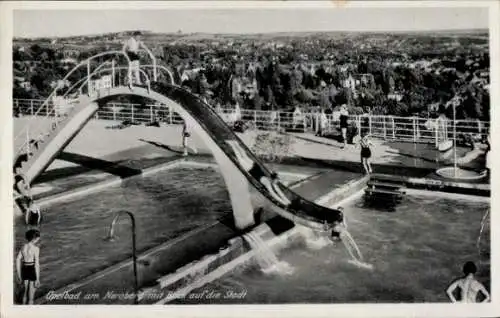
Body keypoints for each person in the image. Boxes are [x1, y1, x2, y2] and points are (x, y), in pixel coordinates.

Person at [226, 140, 291, 207]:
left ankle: (235, 143)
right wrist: (284, 202)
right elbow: (274, 195)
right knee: (240, 157)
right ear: (273, 179)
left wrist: (287, 201)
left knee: (243, 155)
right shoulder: (269, 184)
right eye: (276, 180)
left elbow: (279, 192)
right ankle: (233, 144)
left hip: (255, 166)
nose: (276, 182)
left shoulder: (270, 178)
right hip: (251, 169)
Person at [16, 229, 41, 305]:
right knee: (31, 298)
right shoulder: (36, 249)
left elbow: (17, 260)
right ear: (34, 238)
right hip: (32, 270)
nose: (38, 239)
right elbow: (36, 265)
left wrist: (19, 276)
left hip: (24, 270)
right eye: (38, 238)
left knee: (24, 294)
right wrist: (37, 279)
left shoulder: (23, 247)